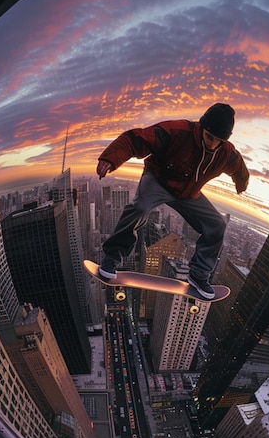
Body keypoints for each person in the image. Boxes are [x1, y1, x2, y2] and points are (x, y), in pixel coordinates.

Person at [96, 103, 250, 299]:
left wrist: (241, 184)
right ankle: (111, 258)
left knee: (217, 225)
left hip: (188, 193)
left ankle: (199, 275)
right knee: (140, 208)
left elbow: (240, 169)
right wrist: (111, 158)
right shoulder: (177, 131)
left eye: (217, 140)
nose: (212, 144)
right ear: (201, 127)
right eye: (209, 137)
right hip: (158, 180)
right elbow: (136, 138)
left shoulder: (226, 153)